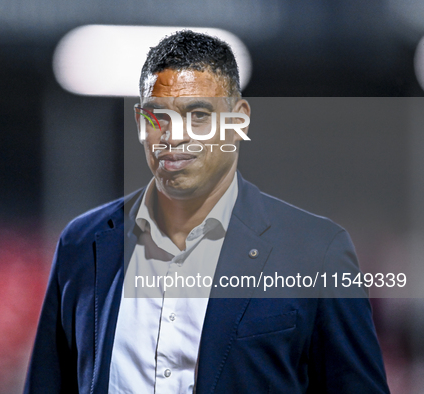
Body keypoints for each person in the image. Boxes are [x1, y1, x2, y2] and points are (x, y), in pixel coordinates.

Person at [24, 30, 389, 393]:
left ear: (238, 121)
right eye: (158, 117)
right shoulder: (82, 244)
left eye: (198, 115)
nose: (174, 136)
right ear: (139, 123)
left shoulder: (316, 252)